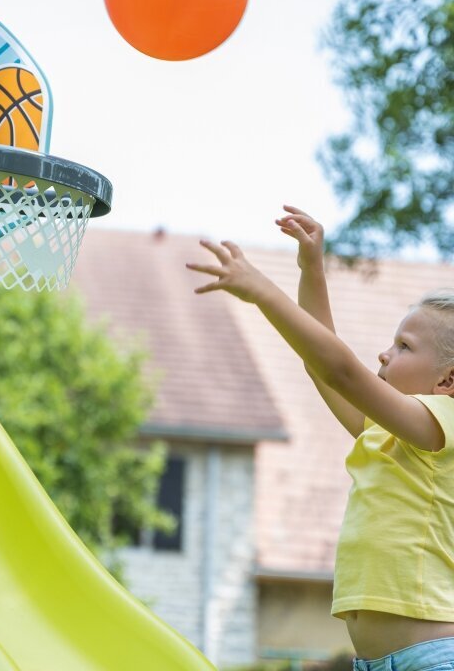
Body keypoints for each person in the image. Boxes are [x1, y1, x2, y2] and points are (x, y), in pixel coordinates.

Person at [186, 205, 454, 667]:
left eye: (404, 347)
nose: (384, 354)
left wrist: (264, 293)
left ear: (447, 381)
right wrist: (312, 271)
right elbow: (324, 368)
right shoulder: (387, 435)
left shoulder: (442, 422)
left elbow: (342, 370)